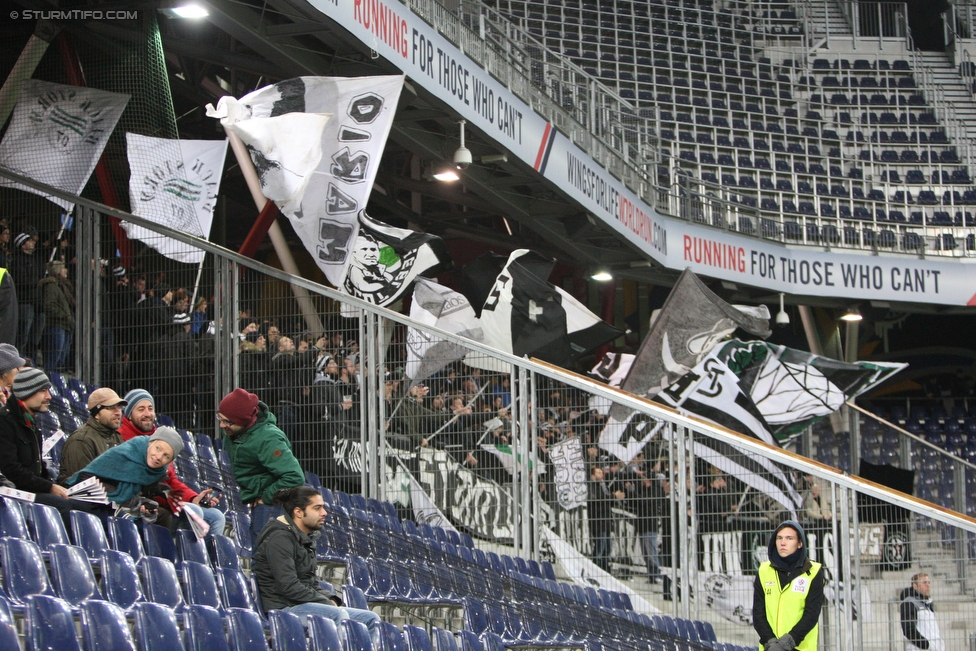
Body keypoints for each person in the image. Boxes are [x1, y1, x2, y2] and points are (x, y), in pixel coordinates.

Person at [252, 486, 381, 644]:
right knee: (337, 614)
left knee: (371, 619)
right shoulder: (279, 539)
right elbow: (288, 586)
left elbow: (310, 582)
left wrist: (331, 598)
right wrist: (325, 602)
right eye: (317, 508)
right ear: (298, 512)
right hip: (283, 608)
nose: (324, 513)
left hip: (302, 604)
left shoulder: (306, 537)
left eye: (323, 507)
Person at [117, 389, 225, 536]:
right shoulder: (123, 439)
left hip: (165, 500)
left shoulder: (160, 437)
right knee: (194, 512)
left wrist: (193, 498)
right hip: (147, 504)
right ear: (129, 414)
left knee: (216, 517)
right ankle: (183, 556)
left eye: (150, 408)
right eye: (140, 409)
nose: (147, 414)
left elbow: (171, 481)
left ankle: (206, 558)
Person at [0, 368, 92, 527]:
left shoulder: (31, 423)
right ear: (26, 391)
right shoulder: (4, 421)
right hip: (15, 492)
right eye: (43, 391)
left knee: (84, 505)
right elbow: (11, 470)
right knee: (62, 505)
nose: (49, 396)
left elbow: (38, 468)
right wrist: (49, 487)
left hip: (31, 489)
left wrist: (57, 486)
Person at [218, 388, 304, 543]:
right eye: (220, 417)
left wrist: (266, 496)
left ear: (244, 420)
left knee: (265, 559)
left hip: (273, 506)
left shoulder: (269, 438)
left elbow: (294, 476)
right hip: (258, 502)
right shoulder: (234, 432)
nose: (222, 425)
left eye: (228, 422)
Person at [66, 427, 184, 527]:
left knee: (163, 516)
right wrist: (130, 501)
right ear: (151, 442)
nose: (159, 457)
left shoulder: (158, 471)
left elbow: (137, 491)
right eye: (158, 448)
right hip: (94, 499)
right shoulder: (128, 451)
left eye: (166, 456)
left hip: (122, 504)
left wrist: (145, 505)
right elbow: (89, 476)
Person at [753, 520, 824, 651]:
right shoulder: (764, 570)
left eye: (789, 538)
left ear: (800, 543)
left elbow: (812, 613)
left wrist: (788, 642)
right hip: (770, 648)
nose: (783, 543)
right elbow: (758, 613)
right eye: (779, 538)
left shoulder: (814, 571)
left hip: (799, 647)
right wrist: (770, 642)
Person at [55, 388, 127, 484]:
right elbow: (82, 483)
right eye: (110, 408)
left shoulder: (116, 437)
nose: (118, 412)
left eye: (119, 407)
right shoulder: (81, 440)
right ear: (96, 414)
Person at [10, 230, 45, 360]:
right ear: (22, 244)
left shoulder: (37, 260)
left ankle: (32, 361)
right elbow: (21, 280)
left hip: (38, 303)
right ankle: (19, 360)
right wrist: (38, 282)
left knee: (35, 337)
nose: (33, 243)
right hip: (26, 302)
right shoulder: (17, 261)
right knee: (24, 334)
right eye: (30, 241)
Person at [38, 260, 75, 373]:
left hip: (65, 326)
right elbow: (49, 305)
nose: (66, 270)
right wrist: (64, 315)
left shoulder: (62, 286)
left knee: (60, 361)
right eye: (63, 268)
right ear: (59, 270)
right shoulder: (52, 286)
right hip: (56, 326)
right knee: (54, 359)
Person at [900, 572, 945, 651]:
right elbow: (909, 630)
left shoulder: (928, 603)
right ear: (915, 586)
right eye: (924, 583)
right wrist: (926, 645)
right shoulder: (909, 603)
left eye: (929, 582)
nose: (928, 585)